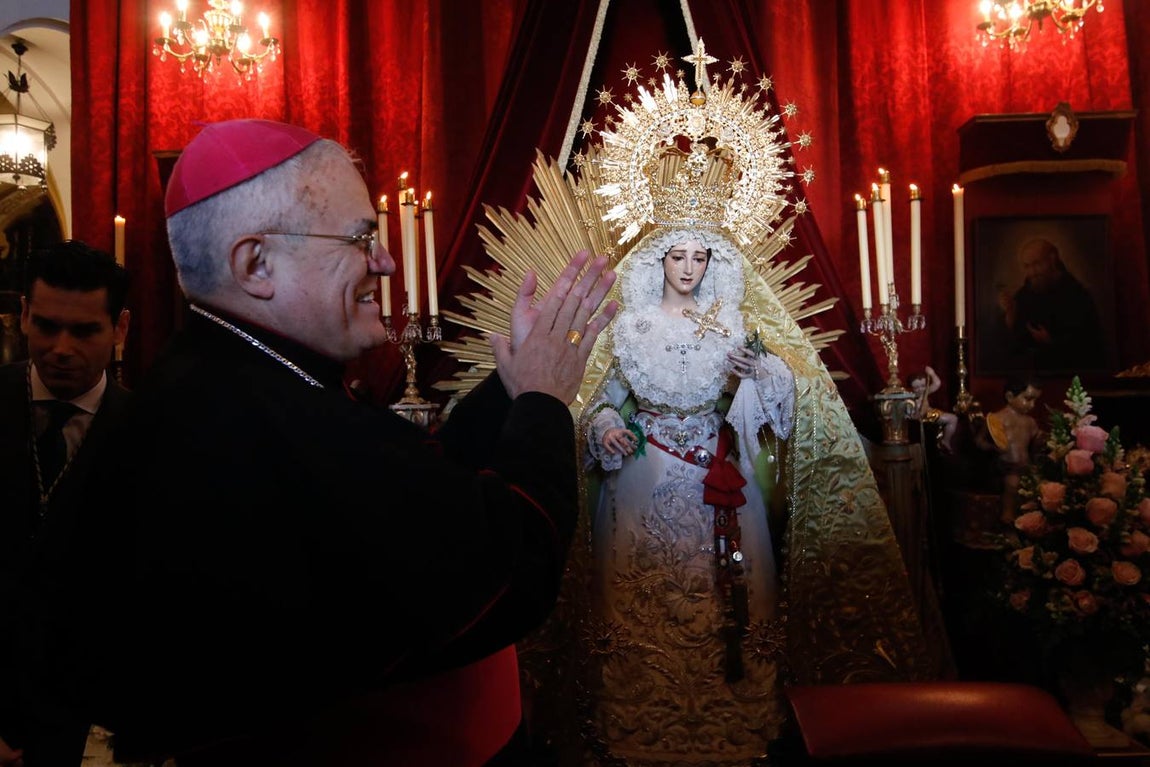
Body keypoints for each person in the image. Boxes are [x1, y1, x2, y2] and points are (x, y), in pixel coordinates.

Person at [64, 119, 618, 766]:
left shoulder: (236, 384)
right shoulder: (246, 418)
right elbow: (511, 558)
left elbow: (416, 484)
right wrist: (546, 398)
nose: (383, 261)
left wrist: (511, 384)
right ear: (257, 264)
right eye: (361, 238)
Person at [581, 231, 795, 764]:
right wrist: (607, 429)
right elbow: (597, 404)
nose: (689, 268)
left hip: (717, 475)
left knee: (721, 588)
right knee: (645, 585)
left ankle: (732, 711)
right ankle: (641, 711)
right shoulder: (632, 327)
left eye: (700, 258)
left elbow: (777, 397)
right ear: (659, 260)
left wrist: (760, 373)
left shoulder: (731, 324)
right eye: (678, 256)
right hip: (642, 475)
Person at [0, 241, 131, 767]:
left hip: (77, 704)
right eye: (47, 325)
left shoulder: (146, 432)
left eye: (83, 331)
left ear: (119, 329)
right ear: (23, 316)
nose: (60, 347)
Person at [998, 237, 1105, 372]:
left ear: (1052, 260)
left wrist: (1052, 342)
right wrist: (1010, 317)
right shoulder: (1024, 294)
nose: (1032, 272)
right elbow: (1015, 346)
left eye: (1037, 264)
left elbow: (1090, 344)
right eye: (1027, 266)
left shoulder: (1077, 295)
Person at [974, 376, 1043, 523]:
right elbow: (979, 441)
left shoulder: (1030, 422)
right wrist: (991, 447)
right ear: (1010, 396)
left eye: (1035, 401)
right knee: (1012, 481)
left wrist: (1041, 440)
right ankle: (1008, 514)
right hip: (1003, 465)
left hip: (1025, 465)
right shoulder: (996, 419)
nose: (1032, 405)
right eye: (1028, 399)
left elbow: (1036, 441)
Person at [909, 366, 958, 454]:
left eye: (923, 386)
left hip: (929, 414)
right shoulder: (909, 397)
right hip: (918, 418)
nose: (920, 389)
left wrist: (932, 373)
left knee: (953, 418)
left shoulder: (925, 392)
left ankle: (945, 441)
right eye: (916, 387)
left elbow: (937, 383)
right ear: (911, 388)